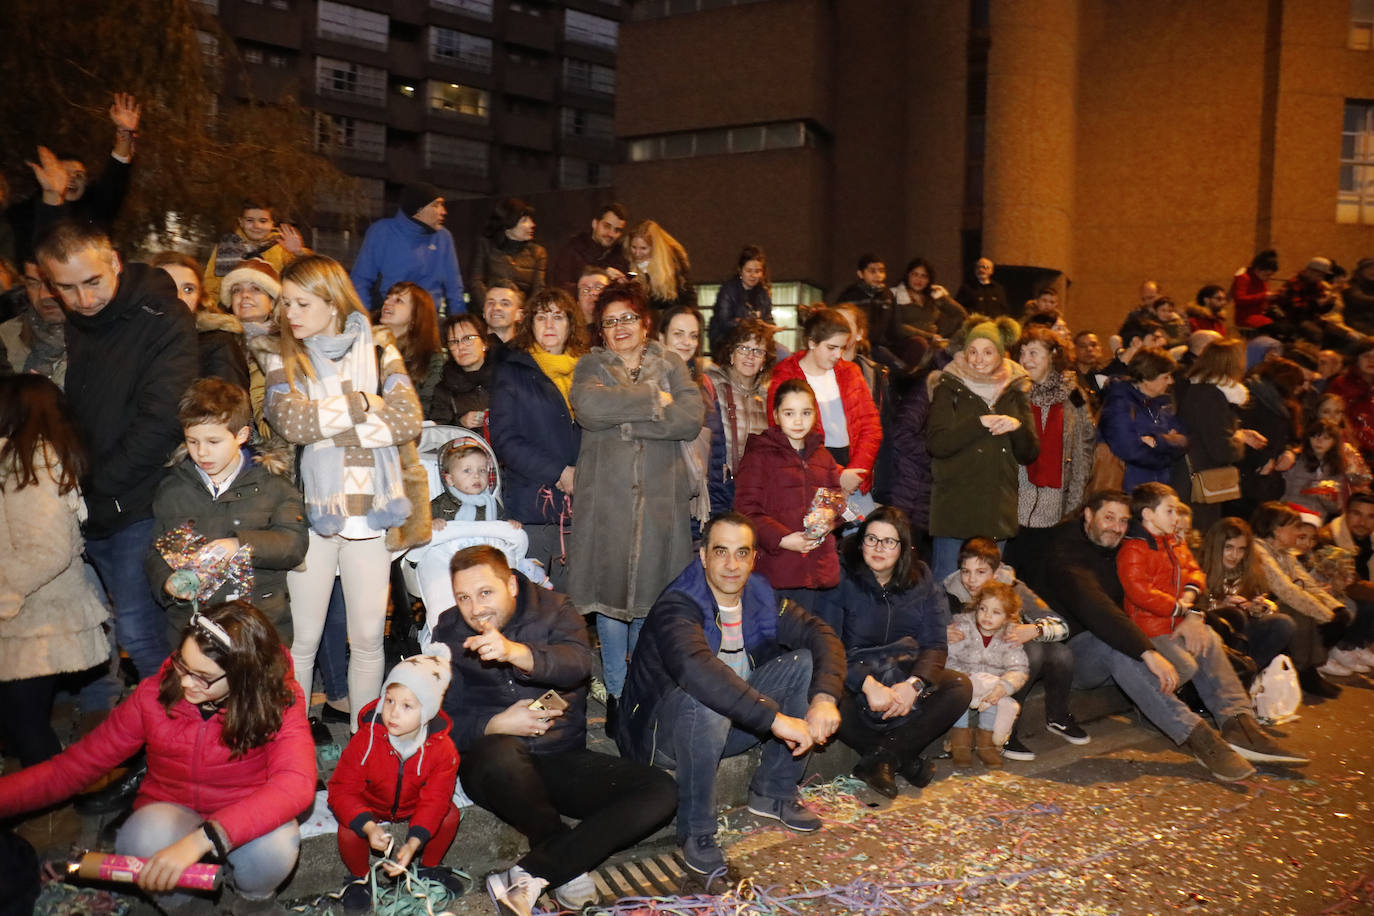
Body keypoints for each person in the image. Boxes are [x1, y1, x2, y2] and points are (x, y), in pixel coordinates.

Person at [0, 601, 316, 912]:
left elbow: (296, 783)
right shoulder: (153, 695)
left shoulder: (278, 700)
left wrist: (203, 840)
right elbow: (70, 770)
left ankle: (252, 902)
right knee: (140, 839)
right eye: (183, 664)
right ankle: (187, 908)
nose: (185, 682)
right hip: (171, 808)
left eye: (202, 677)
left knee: (278, 846)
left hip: (244, 809)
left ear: (244, 677)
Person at [433, 546, 676, 915]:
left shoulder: (556, 610)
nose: (475, 608)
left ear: (511, 585)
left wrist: (515, 652)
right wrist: (494, 724)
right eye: (463, 597)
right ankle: (562, 857)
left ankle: (534, 871)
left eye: (485, 593)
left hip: (559, 758)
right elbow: (441, 721)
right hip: (493, 769)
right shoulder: (450, 630)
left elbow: (576, 664)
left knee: (661, 790)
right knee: (498, 752)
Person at [1016, 490, 1306, 781]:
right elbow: (1100, 613)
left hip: (1129, 631)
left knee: (1203, 635)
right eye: (1108, 518)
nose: (1116, 527)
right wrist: (1148, 653)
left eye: (1122, 520)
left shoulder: (1128, 540)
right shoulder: (1064, 554)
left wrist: (1194, 615)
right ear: (1088, 516)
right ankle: (1198, 738)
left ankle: (1240, 725)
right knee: (1115, 648)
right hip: (1078, 653)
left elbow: (1173, 575)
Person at [616, 513, 845, 876]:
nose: (731, 565)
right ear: (703, 556)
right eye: (721, 552)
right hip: (665, 734)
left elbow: (822, 635)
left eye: (742, 553)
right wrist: (776, 720)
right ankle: (696, 831)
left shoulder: (760, 594)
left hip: (734, 721)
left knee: (803, 662)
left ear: (754, 558)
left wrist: (825, 698)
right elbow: (698, 672)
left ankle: (774, 793)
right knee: (705, 698)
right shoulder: (678, 604)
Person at [260, 255, 423, 727]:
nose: (289, 312)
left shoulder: (378, 347)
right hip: (309, 513)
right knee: (304, 640)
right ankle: (291, 739)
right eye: (286, 302)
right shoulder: (280, 354)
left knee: (369, 638)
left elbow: (407, 418)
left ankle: (364, 740)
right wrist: (362, 403)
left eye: (301, 302)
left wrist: (328, 428)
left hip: (371, 512)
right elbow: (290, 421)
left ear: (332, 302)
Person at [36, 221, 197, 680]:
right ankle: (110, 723)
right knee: (89, 625)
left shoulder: (163, 318)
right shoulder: (70, 324)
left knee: (140, 632)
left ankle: (178, 738)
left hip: (136, 500)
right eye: (67, 288)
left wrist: (94, 487)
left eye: (93, 282)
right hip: (73, 503)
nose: (84, 300)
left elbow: (163, 419)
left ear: (116, 264)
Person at [568, 280, 704, 724]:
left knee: (651, 599)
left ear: (644, 323)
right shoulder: (590, 367)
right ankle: (616, 695)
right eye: (610, 321)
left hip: (661, 502)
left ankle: (641, 695)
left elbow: (689, 418)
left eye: (627, 318)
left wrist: (628, 423)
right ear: (601, 331)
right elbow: (588, 408)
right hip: (606, 503)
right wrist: (650, 399)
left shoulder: (670, 364)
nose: (620, 327)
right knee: (609, 603)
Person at [813, 508, 971, 798]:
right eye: (871, 539)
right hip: (853, 670)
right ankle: (902, 758)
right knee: (825, 690)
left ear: (903, 547)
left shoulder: (920, 576)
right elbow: (827, 643)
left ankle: (882, 758)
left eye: (889, 542)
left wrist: (915, 684)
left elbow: (936, 643)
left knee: (960, 686)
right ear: (860, 543)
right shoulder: (841, 575)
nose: (879, 548)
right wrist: (867, 683)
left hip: (902, 669)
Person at [145, 379, 308, 643]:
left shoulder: (274, 486)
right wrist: (166, 583)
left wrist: (238, 544)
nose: (202, 452)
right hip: (193, 630)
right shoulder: (173, 489)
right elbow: (157, 550)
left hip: (258, 628)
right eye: (192, 441)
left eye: (213, 441)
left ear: (241, 435)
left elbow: (293, 545)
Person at [0, 375, 109, 766]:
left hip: (36, 620)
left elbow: (48, 550)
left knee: (26, 726)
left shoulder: (34, 465)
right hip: (26, 619)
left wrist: (5, 592)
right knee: (18, 723)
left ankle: (54, 802)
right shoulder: (19, 461)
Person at [327, 645, 464, 911]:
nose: (393, 712)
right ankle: (359, 879)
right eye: (389, 700)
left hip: (414, 807)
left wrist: (414, 842)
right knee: (348, 828)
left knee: (448, 815)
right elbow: (341, 789)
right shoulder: (366, 739)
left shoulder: (443, 749)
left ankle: (428, 869)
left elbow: (436, 799)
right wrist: (368, 826)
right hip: (372, 805)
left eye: (407, 706)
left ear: (428, 712)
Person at [943, 537, 1082, 761]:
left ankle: (1057, 717)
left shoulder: (1013, 588)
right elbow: (930, 630)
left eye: (980, 572)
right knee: (1033, 653)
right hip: (976, 667)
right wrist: (943, 633)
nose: (971, 580)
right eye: (965, 571)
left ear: (996, 572)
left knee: (1060, 653)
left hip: (1009, 661)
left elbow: (1063, 626)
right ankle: (1007, 734)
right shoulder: (950, 592)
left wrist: (1035, 629)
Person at [926, 315, 1039, 579]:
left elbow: (1030, 453)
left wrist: (1016, 427)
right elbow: (937, 444)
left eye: (988, 352)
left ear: (1001, 354)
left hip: (997, 510)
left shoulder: (1016, 388)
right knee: (946, 586)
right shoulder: (948, 385)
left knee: (989, 593)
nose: (978, 359)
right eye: (972, 351)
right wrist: (979, 423)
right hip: (954, 510)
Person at [488, 288, 586, 591]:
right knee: (535, 606)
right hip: (534, 509)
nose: (550, 324)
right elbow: (505, 440)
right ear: (530, 324)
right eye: (541, 317)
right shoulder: (513, 371)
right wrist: (559, 472)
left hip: (585, 507)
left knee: (576, 608)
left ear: (571, 324)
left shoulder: (588, 370)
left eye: (558, 317)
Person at [734, 378, 842, 608]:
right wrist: (782, 539)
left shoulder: (823, 457)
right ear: (776, 415)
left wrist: (827, 521)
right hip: (777, 569)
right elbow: (746, 510)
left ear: (815, 415)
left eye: (805, 412)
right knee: (777, 639)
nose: (798, 421)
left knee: (817, 638)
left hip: (819, 571)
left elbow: (836, 503)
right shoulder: (759, 456)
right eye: (789, 413)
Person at [768, 307, 882, 502]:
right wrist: (836, 473)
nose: (838, 355)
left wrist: (854, 473)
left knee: (862, 529)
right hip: (809, 473)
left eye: (842, 347)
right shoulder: (785, 376)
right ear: (812, 342)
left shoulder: (851, 372)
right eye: (831, 347)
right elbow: (783, 434)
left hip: (853, 472)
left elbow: (871, 427)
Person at [11, 93, 140, 261]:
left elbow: (114, 178)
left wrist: (124, 134)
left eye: (79, 175)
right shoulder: (22, 215)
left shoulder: (97, 210)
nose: (71, 179)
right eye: (64, 174)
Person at [1250, 501, 1347, 698]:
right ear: (1277, 530)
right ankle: (1304, 670)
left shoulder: (1284, 553)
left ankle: (1308, 669)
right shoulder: (1259, 551)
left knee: (1337, 613)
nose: (1297, 533)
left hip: (1273, 603)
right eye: (1294, 528)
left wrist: (1335, 608)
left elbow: (1306, 582)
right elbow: (1286, 590)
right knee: (1299, 611)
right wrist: (1326, 615)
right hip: (1257, 607)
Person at [1177, 338, 1266, 530]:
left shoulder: (1198, 389)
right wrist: (1240, 439)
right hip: (1199, 484)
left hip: (1193, 479)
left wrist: (1241, 433)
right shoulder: (1210, 395)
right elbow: (1222, 449)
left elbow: (1210, 431)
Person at [1012, 325, 1095, 530]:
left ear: (1052, 356)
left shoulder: (1072, 394)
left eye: (1033, 353)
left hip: (1057, 494)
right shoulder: (1013, 392)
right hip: (1018, 490)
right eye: (1022, 353)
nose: (1025, 359)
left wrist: (1075, 501)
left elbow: (1084, 447)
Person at [944, 582, 1029, 767]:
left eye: (996, 612)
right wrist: (960, 676)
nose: (987, 616)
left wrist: (1004, 687)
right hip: (963, 681)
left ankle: (986, 745)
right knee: (960, 697)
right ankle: (960, 742)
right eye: (983, 609)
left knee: (994, 699)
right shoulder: (963, 627)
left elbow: (1019, 668)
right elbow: (947, 657)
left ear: (1007, 618)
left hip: (990, 686)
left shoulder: (1009, 637)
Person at [350, 182, 464, 313]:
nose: (443, 211)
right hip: (388, 318)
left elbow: (454, 287)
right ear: (419, 210)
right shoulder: (382, 232)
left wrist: (460, 323)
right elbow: (360, 280)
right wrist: (365, 319)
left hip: (428, 321)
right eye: (436, 205)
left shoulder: (443, 237)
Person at [1199, 517, 1295, 671]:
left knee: (1284, 623)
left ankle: (1248, 671)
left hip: (1243, 630)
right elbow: (1192, 608)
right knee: (1235, 615)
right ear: (1216, 546)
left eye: (1241, 549)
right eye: (1228, 547)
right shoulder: (1199, 568)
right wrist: (1220, 606)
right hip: (1210, 629)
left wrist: (1256, 608)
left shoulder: (1251, 571)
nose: (1234, 555)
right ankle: (1237, 671)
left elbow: (1264, 604)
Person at [151, 250, 251, 390]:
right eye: (168, 286)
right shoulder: (129, 337)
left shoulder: (217, 345)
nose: (179, 296)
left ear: (200, 298)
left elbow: (230, 408)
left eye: (188, 289)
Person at [702, 318, 775, 510]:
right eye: (743, 348)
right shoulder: (712, 384)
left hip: (757, 489)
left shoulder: (769, 397)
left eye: (758, 351)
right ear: (731, 354)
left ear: (764, 360)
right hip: (718, 487)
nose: (750, 356)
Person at [1098, 347, 1187, 492]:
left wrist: (1158, 441)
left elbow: (1185, 439)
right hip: (1129, 490)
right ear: (1147, 378)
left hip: (1157, 488)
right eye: (1165, 377)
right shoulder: (1119, 403)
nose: (1171, 381)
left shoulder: (1162, 402)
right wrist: (1166, 456)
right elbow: (1129, 450)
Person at [201, 199, 307, 307]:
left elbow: (306, 278)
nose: (257, 226)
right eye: (250, 220)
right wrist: (212, 312)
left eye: (263, 221)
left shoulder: (282, 246)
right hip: (235, 310)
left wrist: (298, 252)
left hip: (274, 313)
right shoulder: (226, 246)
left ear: (272, 223)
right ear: (241, 222)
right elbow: (211, 285)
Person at [222, 258, 281, 441]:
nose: (244, 295)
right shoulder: (218, 343)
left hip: (272, 443)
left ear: (272, 302)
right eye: (236, 290)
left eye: (256, 289)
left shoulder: (289, 345)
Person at [376, 281, 445, 417]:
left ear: (415, 315)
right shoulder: (369, 346)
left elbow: (427, 404)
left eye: (398, 301)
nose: (387, 303)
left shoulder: (430, 357)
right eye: (387, 298)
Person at [832, 254, 906, 368]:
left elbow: (895, 326)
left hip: (882, 346)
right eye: (872, 271)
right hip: (857, 345)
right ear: (861, 274)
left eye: (881, 271)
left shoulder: (887, 295)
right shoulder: (850, 295)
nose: (878, 275)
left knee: (899, 367)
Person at [469, 197, 547, 303]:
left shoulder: (538, 253)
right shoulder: (484, 246)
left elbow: (539, 290)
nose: (532, 225)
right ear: (508, 224)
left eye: (530, 220)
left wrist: (523, 314)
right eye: (524, 221)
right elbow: (476, 283)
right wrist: (491, 306)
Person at [0, 259, 66, 382]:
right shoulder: (5, 336)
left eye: (52, 283)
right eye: (33, 283)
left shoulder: (100, 340)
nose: (43, 295)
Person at [430, 438, 516, 529]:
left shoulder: (491, 503)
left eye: (482, 470)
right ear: (450, 479)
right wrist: (430, 524)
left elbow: (501, 526)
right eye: (467, 470)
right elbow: (418, 524)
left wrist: (509, 525)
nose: (477, 476)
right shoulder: (440, 504)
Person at [429, 312, 494, 430]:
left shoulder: (505, 375)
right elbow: (438, 434)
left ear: (484, 342)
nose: (461, 347)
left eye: (468, 338)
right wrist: (460, 424)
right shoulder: (444, 389)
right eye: (454, 342)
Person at [1282, 418, 1356, 519]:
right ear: (1308, 438)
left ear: (1334, 442)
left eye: (1326, 438)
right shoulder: (1296, 459)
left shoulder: (1336, 467)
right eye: (1315, 436)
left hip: (1315, 516)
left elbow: (1335, 508)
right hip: (1290, 511)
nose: (1319, 441)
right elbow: (1282, 489)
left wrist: (1327, 500)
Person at [708, 245, 773, 356]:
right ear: (740, 270)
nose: (753, 275)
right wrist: (748, 322)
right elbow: (724, 323)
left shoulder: (764, 293)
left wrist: (769, 327)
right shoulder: (728, 290)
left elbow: (768, 320)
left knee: (783, 353)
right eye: (749, 271)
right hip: (728, 342)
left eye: (757, 271)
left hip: (756, 342)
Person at [548, 203, 629, 290]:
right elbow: (560, 288)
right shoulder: (572, 249)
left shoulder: (621, 254)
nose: (611, 234)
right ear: (594, 223)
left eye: (617, 230)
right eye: (606, 226)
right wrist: (601, 277)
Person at [623, 219, 694, 317]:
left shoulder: (674, 265)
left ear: (654, 249)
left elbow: (686, 298)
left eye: (643, 248)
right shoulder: (627, 263)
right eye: (633, 247)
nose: (637, 253)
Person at [892, 257, 966, 344]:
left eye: (924, 276)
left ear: (929, 280)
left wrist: (943, 334)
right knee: (920, 343)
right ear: (908, 275)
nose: (919, 280)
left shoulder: (933, 296)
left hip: (933, 342)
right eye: (915, 274)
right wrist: (929, 336)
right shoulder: (896, 295)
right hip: (909, 343)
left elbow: (960, 314)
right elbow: (899, 327)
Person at [1325, 340, 1374, 463]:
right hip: (1347, 452)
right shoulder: (1341, 384)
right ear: (1357, 359)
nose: (1371, 361)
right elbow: (1332, 418)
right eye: (1366, 356)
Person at [1321, 490, 1374, 579]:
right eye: (1357, 514)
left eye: (1371, 517)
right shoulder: (1325, 541)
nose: (1362, 522)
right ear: (1346, 513)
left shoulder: (1370, 541)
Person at [1230, 249, 1279, 330]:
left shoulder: (1261, 279)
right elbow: (1239, 300)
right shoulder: (1244, 278)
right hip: (1246, 318)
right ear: (1257, 269)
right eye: (1266, 274)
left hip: (1260, 316)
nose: (1268, 278)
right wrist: (1264, 296)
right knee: (1276, 328)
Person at [483, 283, 525, 347]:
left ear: (519, 315)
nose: (496, 308)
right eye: (491, 303)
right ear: (484, 312)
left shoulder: (529, 353)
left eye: (505, 304)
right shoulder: (469, 351)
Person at [1341, 257, 1374, 336]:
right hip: (1357, 321)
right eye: (1369, 268)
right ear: (1361, 271)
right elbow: (1357, 298)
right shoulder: (1353, 283)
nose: (1372, 271)